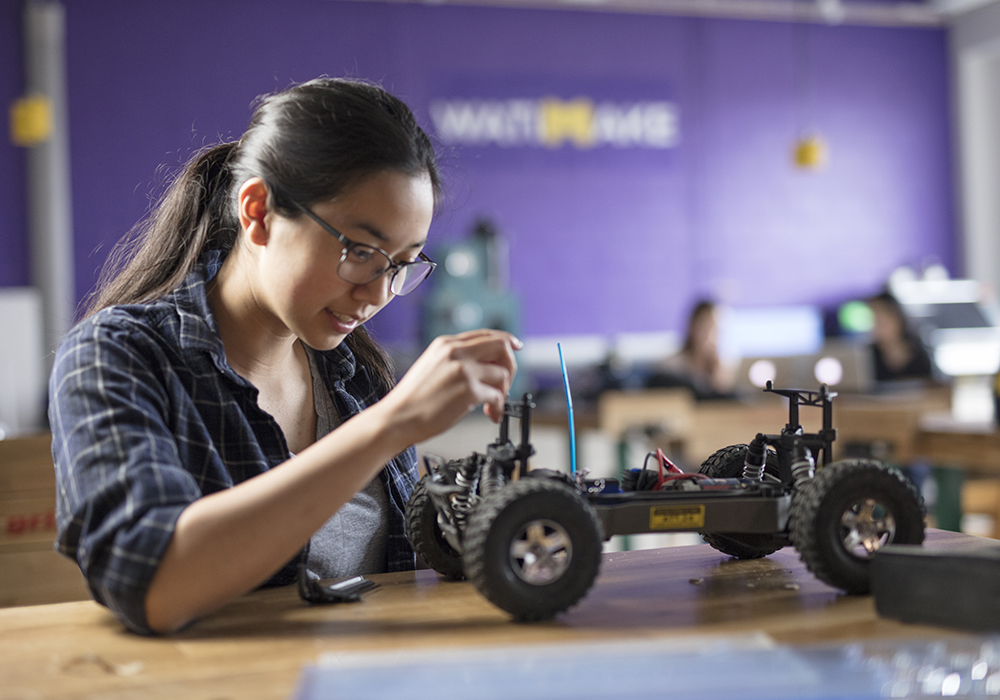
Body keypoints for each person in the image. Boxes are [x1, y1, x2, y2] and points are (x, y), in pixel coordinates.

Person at [48, 78, 520, 636]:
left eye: (401, 264)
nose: (376, 295)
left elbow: (411, 578)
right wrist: (390, 426)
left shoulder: (355, 375)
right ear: (259, 212)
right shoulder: (115, 357)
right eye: (361, 251)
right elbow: (153, 585)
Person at [648, 300, 735, 400]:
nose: (708, 335)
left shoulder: (720, 368)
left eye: (713, 328)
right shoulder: (670, 367)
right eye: (704, 327)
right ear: (692, 327)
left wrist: (718, 376)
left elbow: (724, 404)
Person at [867, 291, 932, 382]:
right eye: (874, 320)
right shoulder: (865, 357)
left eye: (882, 322)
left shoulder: (919, 352)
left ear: (897, 318)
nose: (877, 327)